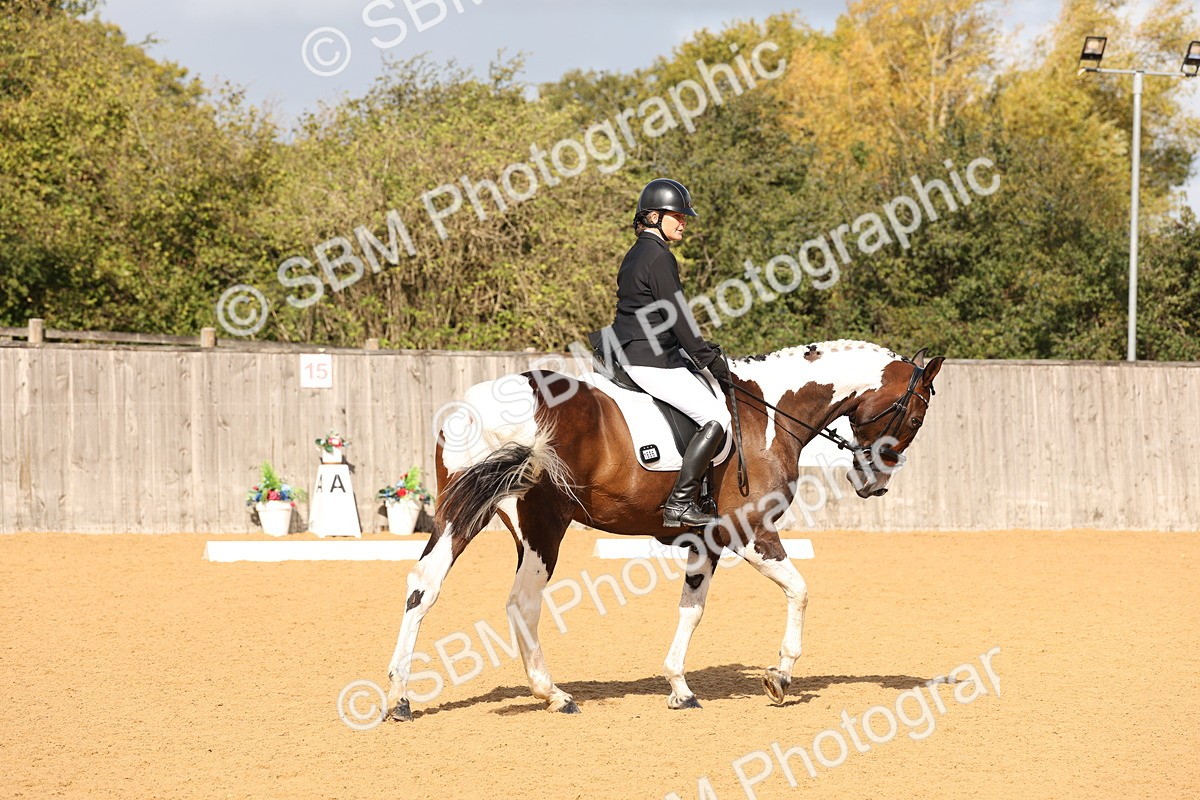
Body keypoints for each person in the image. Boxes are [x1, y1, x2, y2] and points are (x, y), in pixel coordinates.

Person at [609, 178, 732, 528]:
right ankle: (679, 503)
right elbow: (677, 315)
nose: (683, 221)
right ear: (652, 217)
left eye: (684, 215)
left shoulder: (635, 254)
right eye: (676, 215)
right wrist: (709, 359)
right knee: (716, 417)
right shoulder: (660, 257)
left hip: (629, 353)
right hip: (653, 360)